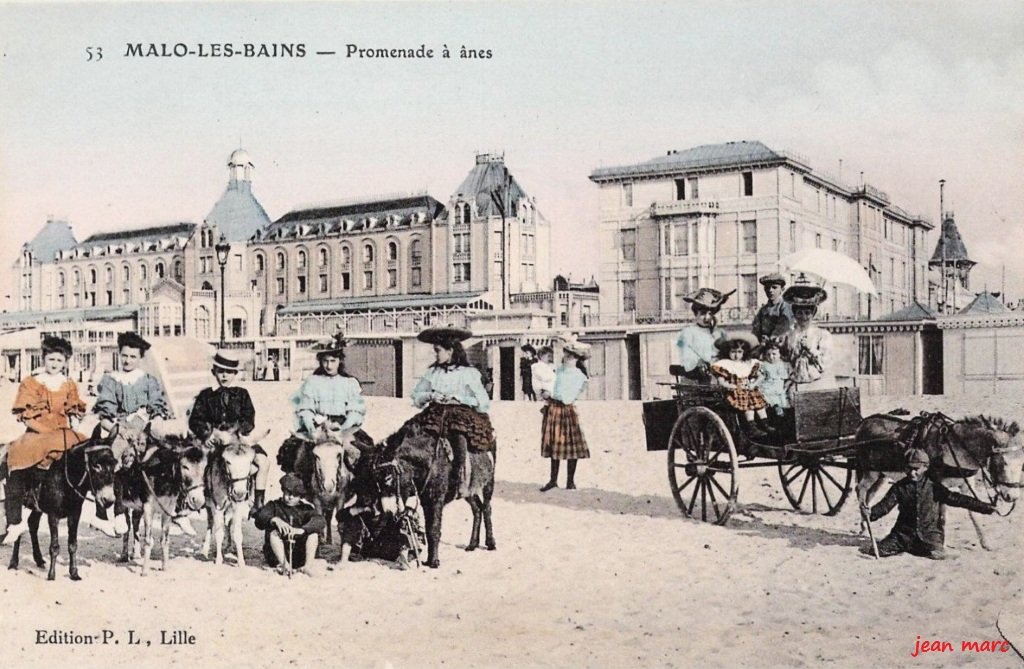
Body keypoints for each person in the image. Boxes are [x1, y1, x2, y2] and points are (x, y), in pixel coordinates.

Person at [2, 336, 88, 544]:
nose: (55, 364)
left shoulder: (67, 384)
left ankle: (101, 511)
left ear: (65, 362)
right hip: (38, 431)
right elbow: (27, 416)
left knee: (89, 452)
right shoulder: (32, 382)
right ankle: (15, 520)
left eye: (59, 360)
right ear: (43, 358)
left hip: (61, 430)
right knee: (16, 456)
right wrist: (42, 430)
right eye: (51, 359)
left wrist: (75, 419)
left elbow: (73, 409)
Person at [90, 331, 169, 535]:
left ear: (140, 358)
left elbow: (156, 407)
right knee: (112, 459)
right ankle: (111, 512)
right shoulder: (111, 380)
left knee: (166, 454)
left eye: (133, 356)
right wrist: (121, 429)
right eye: (124, 355)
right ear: (119, 354)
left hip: (143, 425)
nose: (127, 360)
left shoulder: (149, 380)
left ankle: (175, 504)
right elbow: (105, 413)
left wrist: (150, 422)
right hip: (119, 426)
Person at [409, 325, 494, 499]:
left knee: (458, 437)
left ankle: (459, 479)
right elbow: (416, 396)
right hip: (435, 413)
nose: (435, 355)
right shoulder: (432, 372)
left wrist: (459, 399)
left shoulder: (468, 373)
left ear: (450, 352)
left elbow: (483, 403)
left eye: (438, 351)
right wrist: (430, 395)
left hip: (460, 416)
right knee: (413, 435)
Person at [864, 449, 995, 559]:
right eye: (908, 468)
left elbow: (958, 499)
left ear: (925, 467)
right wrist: (870, 513)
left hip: (930, 536)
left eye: (916, 469)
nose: (912, 473)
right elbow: (885, 506)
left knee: (937, 554)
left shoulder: (934, 486)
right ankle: (910, 548)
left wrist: (986, 507)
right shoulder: (899, 487)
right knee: (875, 551)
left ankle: (921, 549)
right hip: (902, 535)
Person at [189, 351, 270, 514]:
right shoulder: (206, 395)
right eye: (220, 371)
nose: (224, 375)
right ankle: (202, 498)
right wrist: (208, 434)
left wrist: (237, 432)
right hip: (214, 442)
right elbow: (195, 419)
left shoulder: (242, 394)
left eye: (229, 372)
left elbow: (249, 419)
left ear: (235, 374)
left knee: (262, 462)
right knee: (198, 463)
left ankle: (258, 501)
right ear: (214, 372)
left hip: (237, 441)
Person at [278, 333, 369, 477]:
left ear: (340, 361)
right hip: (317, 426)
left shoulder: (349, 383)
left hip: (343, 426)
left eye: (333, 361)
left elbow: (355, 410)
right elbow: (306, 408)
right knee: (294, 453)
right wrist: (310, 427)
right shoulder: (313, 382)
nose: (329, 365)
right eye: (325, 361)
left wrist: (343, 429)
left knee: (364, 455)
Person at [539, 335, 591, 492]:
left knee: (571, 446)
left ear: (576, 358)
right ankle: (553, 480)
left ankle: (570, 481)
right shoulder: (557, 370)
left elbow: (568, 396)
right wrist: (545, 392)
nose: (567, 356)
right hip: (554, 409)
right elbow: (548, 384)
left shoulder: (579, 376)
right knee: (554, 444)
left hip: (566, 410)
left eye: (570, 354)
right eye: (566, 353)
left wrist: (551, 395)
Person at [253, 474, 325, 574]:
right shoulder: (274, 505)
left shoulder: (306, 509)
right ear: (283, 490)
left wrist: (303, 530)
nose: (290, 497)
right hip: (276, 555)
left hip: (300, 554)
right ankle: (285, 566)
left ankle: (307, 566)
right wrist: (274, 519)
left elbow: (320, 521)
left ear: (301, 497)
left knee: (313, 535)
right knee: (274, 533)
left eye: (295, 495)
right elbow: (259, 520)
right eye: (288, 493)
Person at [780, 277, 835, 399]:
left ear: (813, 314)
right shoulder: (789, 335)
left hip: (817, 385)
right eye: (799, 312)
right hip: (795, 386)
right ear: (794, 314)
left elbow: (825, 363)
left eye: (807, 313)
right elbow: (785, 360)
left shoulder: (822, 335)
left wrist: (810, 349)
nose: (803, 317)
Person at [710, 333, 773, 437]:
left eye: (739, 352)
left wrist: (753, 384)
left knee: (759, 405)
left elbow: (760, 376)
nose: (736, 355)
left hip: (748, 389)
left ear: (744, 352)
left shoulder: (747, 363)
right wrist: (730, 386)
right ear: (727, 352)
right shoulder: (725, 364)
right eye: (733, 352)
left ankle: (764, 423)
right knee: (749, 406)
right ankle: (751, 427)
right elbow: (721, 380)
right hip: (734, 391)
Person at [674, 288, 733, 384]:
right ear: (695, 314)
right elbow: (686, 356)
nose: (707, 318)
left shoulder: (720, 333)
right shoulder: (688, 333)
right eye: (702, 313)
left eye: (710, 314)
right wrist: (698, 363)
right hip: (695, 380)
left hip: (718, 380)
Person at [751, 273, 794, 344]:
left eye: (774, 287)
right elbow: (755, 328)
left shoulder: (785, 306)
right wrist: (760, 337)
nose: (770, 290)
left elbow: (784, 327)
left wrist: (772, 338)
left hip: (780, 344)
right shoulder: (763, 310)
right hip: (765, 344)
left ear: (782, 289)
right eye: (767, 288)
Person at [757, 340, 791, 419]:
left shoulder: (785, 364)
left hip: (780, 387)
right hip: (767, 387)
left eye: (774, 354)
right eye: (768, 354)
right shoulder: (764, 364)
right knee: (770, 399)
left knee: (784, 400)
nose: (771, 357)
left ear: (780, 354)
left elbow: (791, 377)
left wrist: (787, 384)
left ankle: (782, 414)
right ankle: (775, 409)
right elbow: (760, 377)